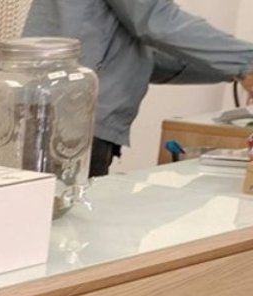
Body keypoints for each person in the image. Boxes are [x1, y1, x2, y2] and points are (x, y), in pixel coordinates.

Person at [24, 0, 253, 176]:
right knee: (55, 220)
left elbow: (146, 57)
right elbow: (157, 22)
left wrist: (233, 70)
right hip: (72, 121)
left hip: (64, 115)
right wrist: (245, 63)